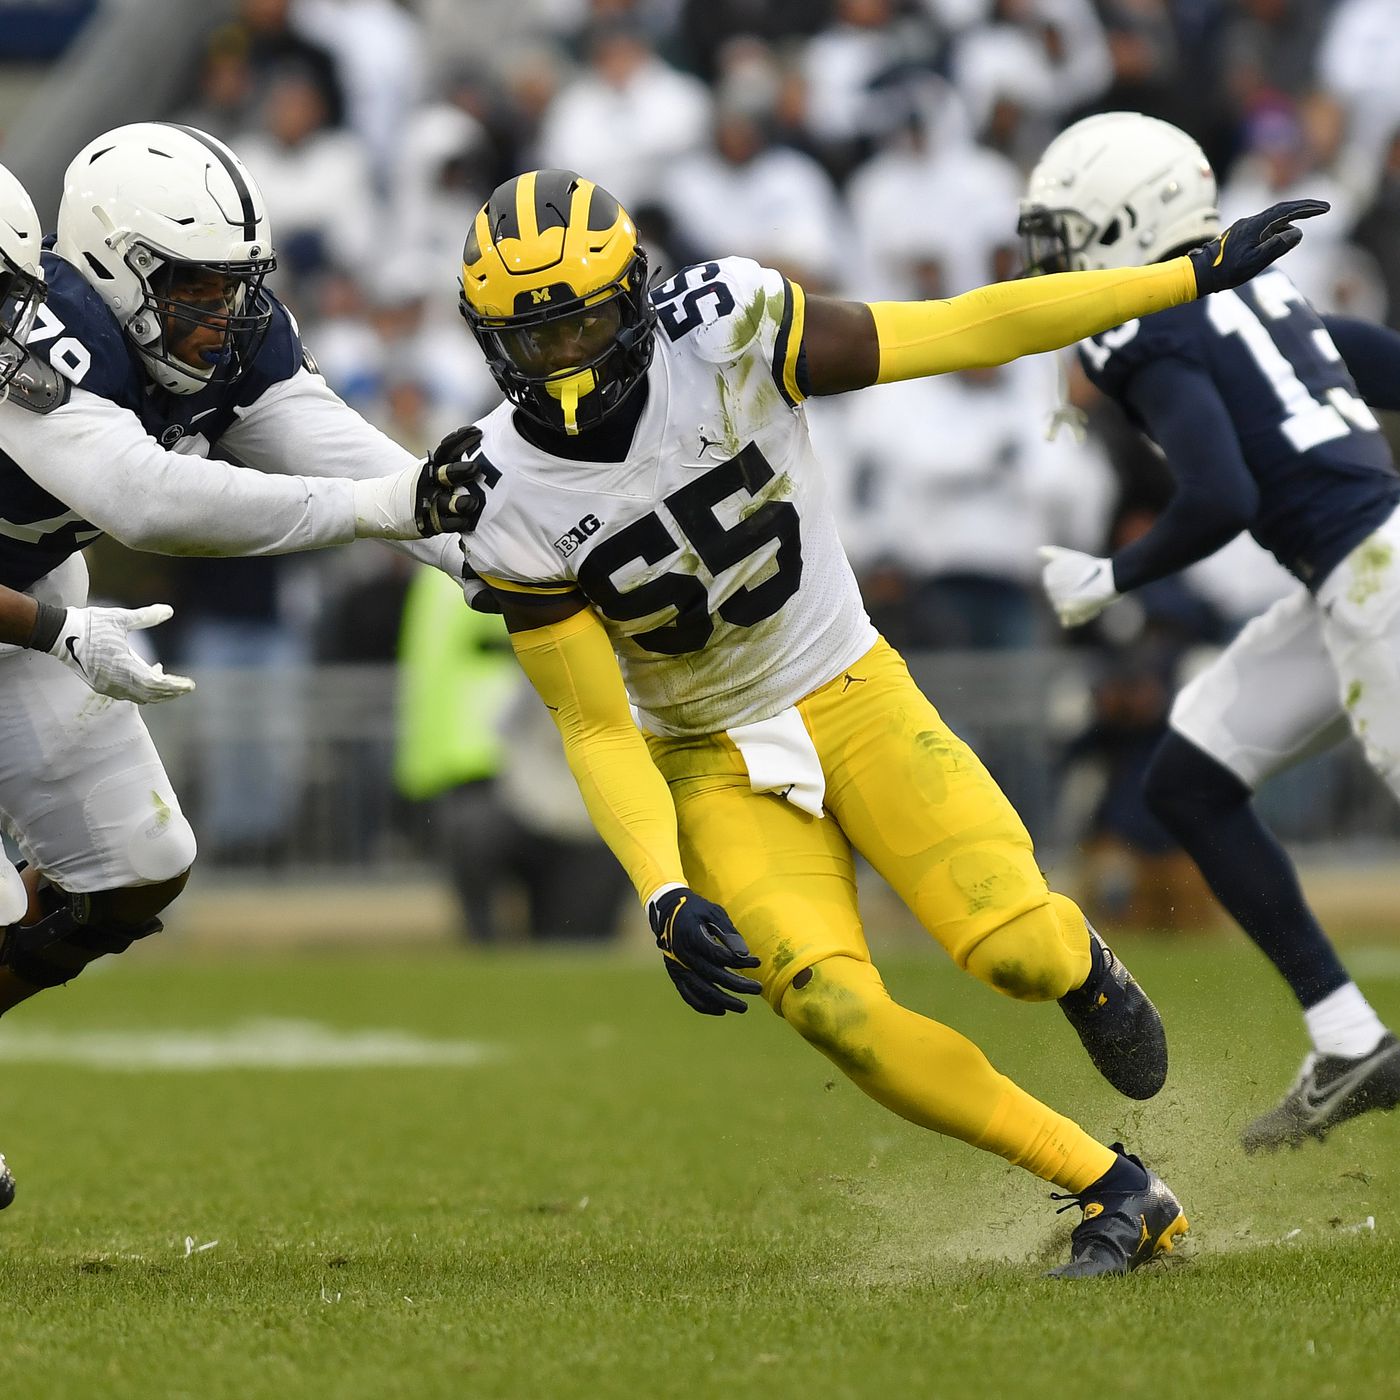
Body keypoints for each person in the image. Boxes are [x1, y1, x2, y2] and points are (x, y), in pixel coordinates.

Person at [435, 168, 1319, 1275]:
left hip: (850, 688)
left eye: (581, 325)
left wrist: (1172, 279)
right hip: (708, 760)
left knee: (1012, 953)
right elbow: (594, 723)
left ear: (636, 295)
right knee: (830, 1008)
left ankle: (1081, 963)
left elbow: (961, 327)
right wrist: (661, 889)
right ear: (488, 345)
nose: (563, 361)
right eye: (532, 344)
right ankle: (1116, 1189)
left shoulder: (727, 327)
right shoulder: (501, 490)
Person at [0, 128, 475, 1040]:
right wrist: (383, 510)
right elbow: (146, 501)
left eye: (234, 287)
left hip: (33, 601)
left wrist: (471, 549)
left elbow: (338, 450)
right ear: (112, 264)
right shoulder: (36, 326)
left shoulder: (237, 345)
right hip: (35, 616)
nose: (223, 315)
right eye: (195, 286)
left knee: (138, 862)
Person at [1024, 111, 1400, 1154]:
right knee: (1187, 772)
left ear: (1121, 224)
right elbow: (1370, 357)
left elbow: (1221, 491)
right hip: (1353, 570)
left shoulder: (1138, 325)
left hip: (1371, 574)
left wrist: (1114, 572)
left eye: (1062, 237)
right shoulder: (1252, 284)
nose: (1050, 264)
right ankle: (1345, 1037)